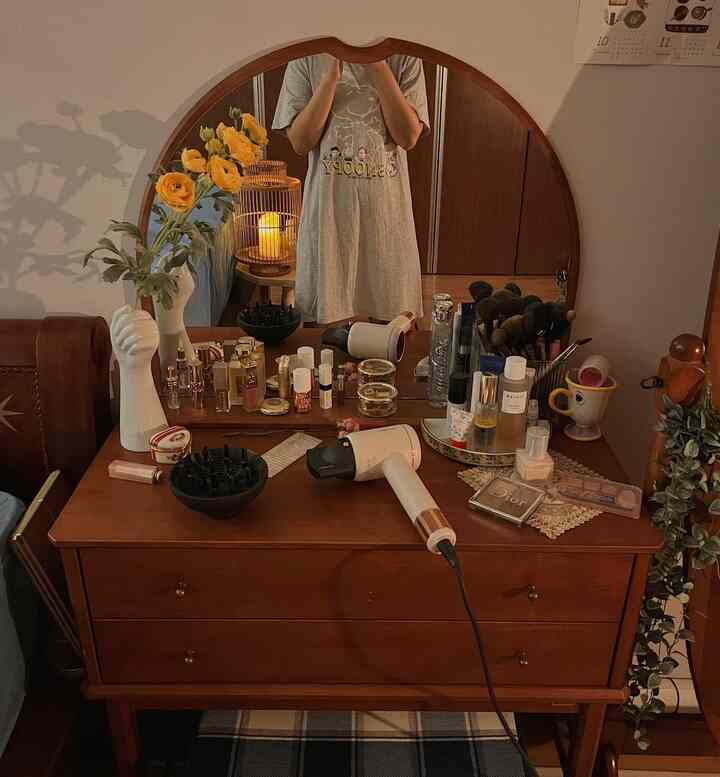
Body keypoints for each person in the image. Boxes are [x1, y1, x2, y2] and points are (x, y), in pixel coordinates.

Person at [273, 55, 429, 324]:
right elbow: (300, 141)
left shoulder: (404, 57)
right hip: (329, 218)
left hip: (386, 220)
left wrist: (377, 65)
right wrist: (328, 81)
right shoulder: (307, 56)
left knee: (390, 332)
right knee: (325, 343)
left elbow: (408, 136)